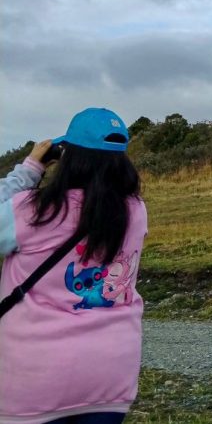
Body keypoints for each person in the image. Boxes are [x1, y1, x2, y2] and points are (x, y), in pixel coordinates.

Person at [0, 108, 147, 424]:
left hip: (36, 380)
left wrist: (29, 169)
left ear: (68, 157)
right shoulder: (135, 209)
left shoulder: (33, 211)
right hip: (111, 375)